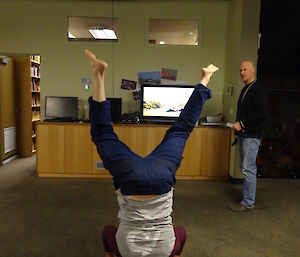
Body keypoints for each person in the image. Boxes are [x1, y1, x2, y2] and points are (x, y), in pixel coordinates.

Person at [85, 49, 219, 257]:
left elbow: (181, 233)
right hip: (129, 176)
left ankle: (205, 79)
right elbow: (107, 232)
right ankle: (99, 75)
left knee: (181, 129)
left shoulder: (167, 250)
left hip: (161, 176)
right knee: (103, 134)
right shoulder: (123, 252)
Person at [229, 60, 269, 212]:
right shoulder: (247, 88)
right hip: (244, 134)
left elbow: (262, 113)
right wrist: (238, 130)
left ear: (252, 71)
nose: (242, 72)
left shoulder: (257, 88)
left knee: (248, 168)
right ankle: (247, 200)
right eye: (240, 70)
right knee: (244, 167)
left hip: (252, 135)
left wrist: (242, 124)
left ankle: (247, 203)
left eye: (245, 69)